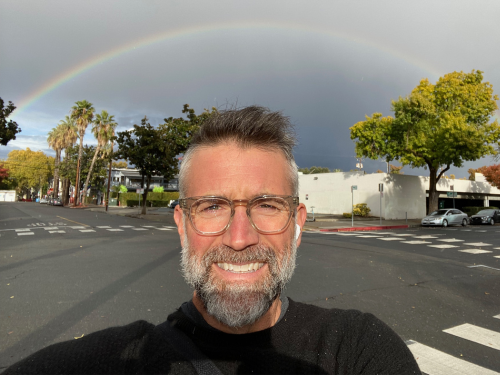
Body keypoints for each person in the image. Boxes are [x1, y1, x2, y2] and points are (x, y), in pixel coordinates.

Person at [5, 106, 421, 374]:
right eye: (212, 207)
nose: (239, 238)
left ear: (297, 224)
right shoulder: (123, 359)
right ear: (182, 225)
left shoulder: (356, 349)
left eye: (266, 205)